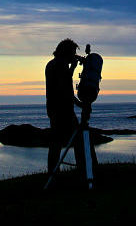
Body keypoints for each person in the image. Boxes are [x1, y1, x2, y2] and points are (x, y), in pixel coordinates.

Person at [45, 38, 85, 175]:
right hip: (62, 110)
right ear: (66, 52)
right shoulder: (60, 66)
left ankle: (53, 173)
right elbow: (65, 88)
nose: (74, 56)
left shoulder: (52, 64)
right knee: (78, 141)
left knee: (55, 144)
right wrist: (73, 68)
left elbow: (65, 88)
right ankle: (82, 170)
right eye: (73, 53)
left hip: (55, 109)